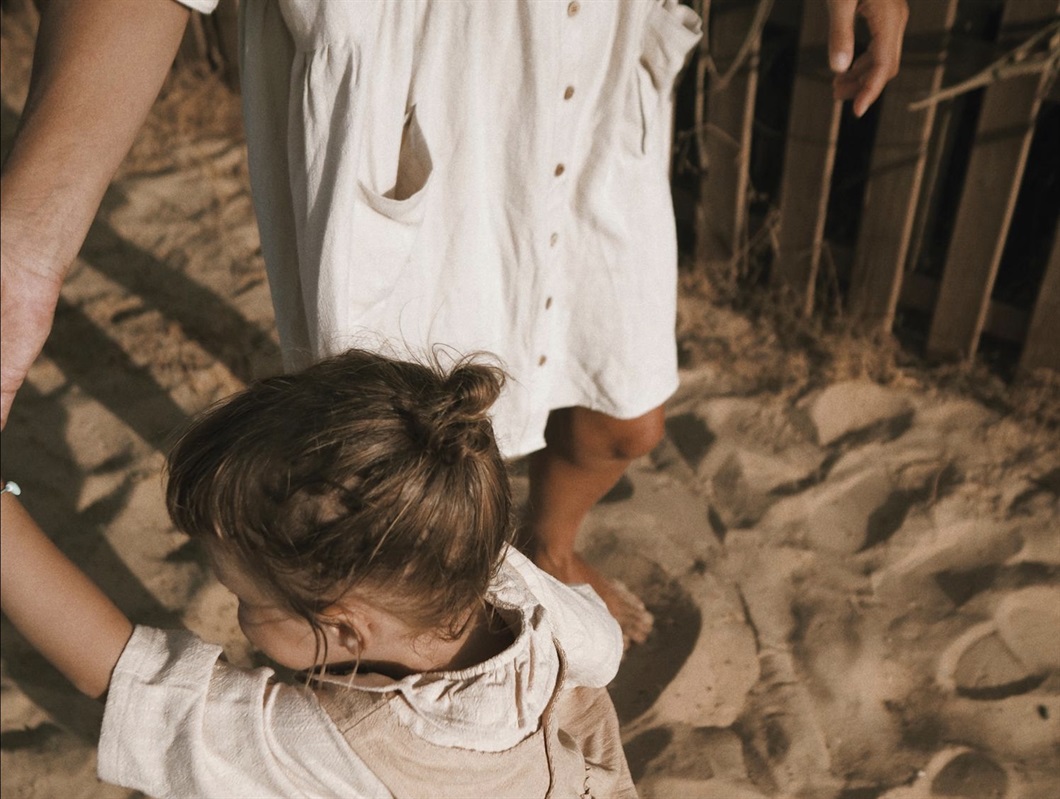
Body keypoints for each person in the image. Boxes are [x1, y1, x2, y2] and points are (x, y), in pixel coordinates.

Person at [0, 0, 909, 643]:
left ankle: (550, 547)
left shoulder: (582, 652)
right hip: (410, 100)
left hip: (595, 94)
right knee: (380, 498)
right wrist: (26, 252)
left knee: (624, 417)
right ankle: (390, 650)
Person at [0, 348, 637, 798]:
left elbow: (122, 677)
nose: (239, 619)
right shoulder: (491, 577)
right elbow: (604, 649)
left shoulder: (341, 747)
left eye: (243, 598)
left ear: (346, 630)